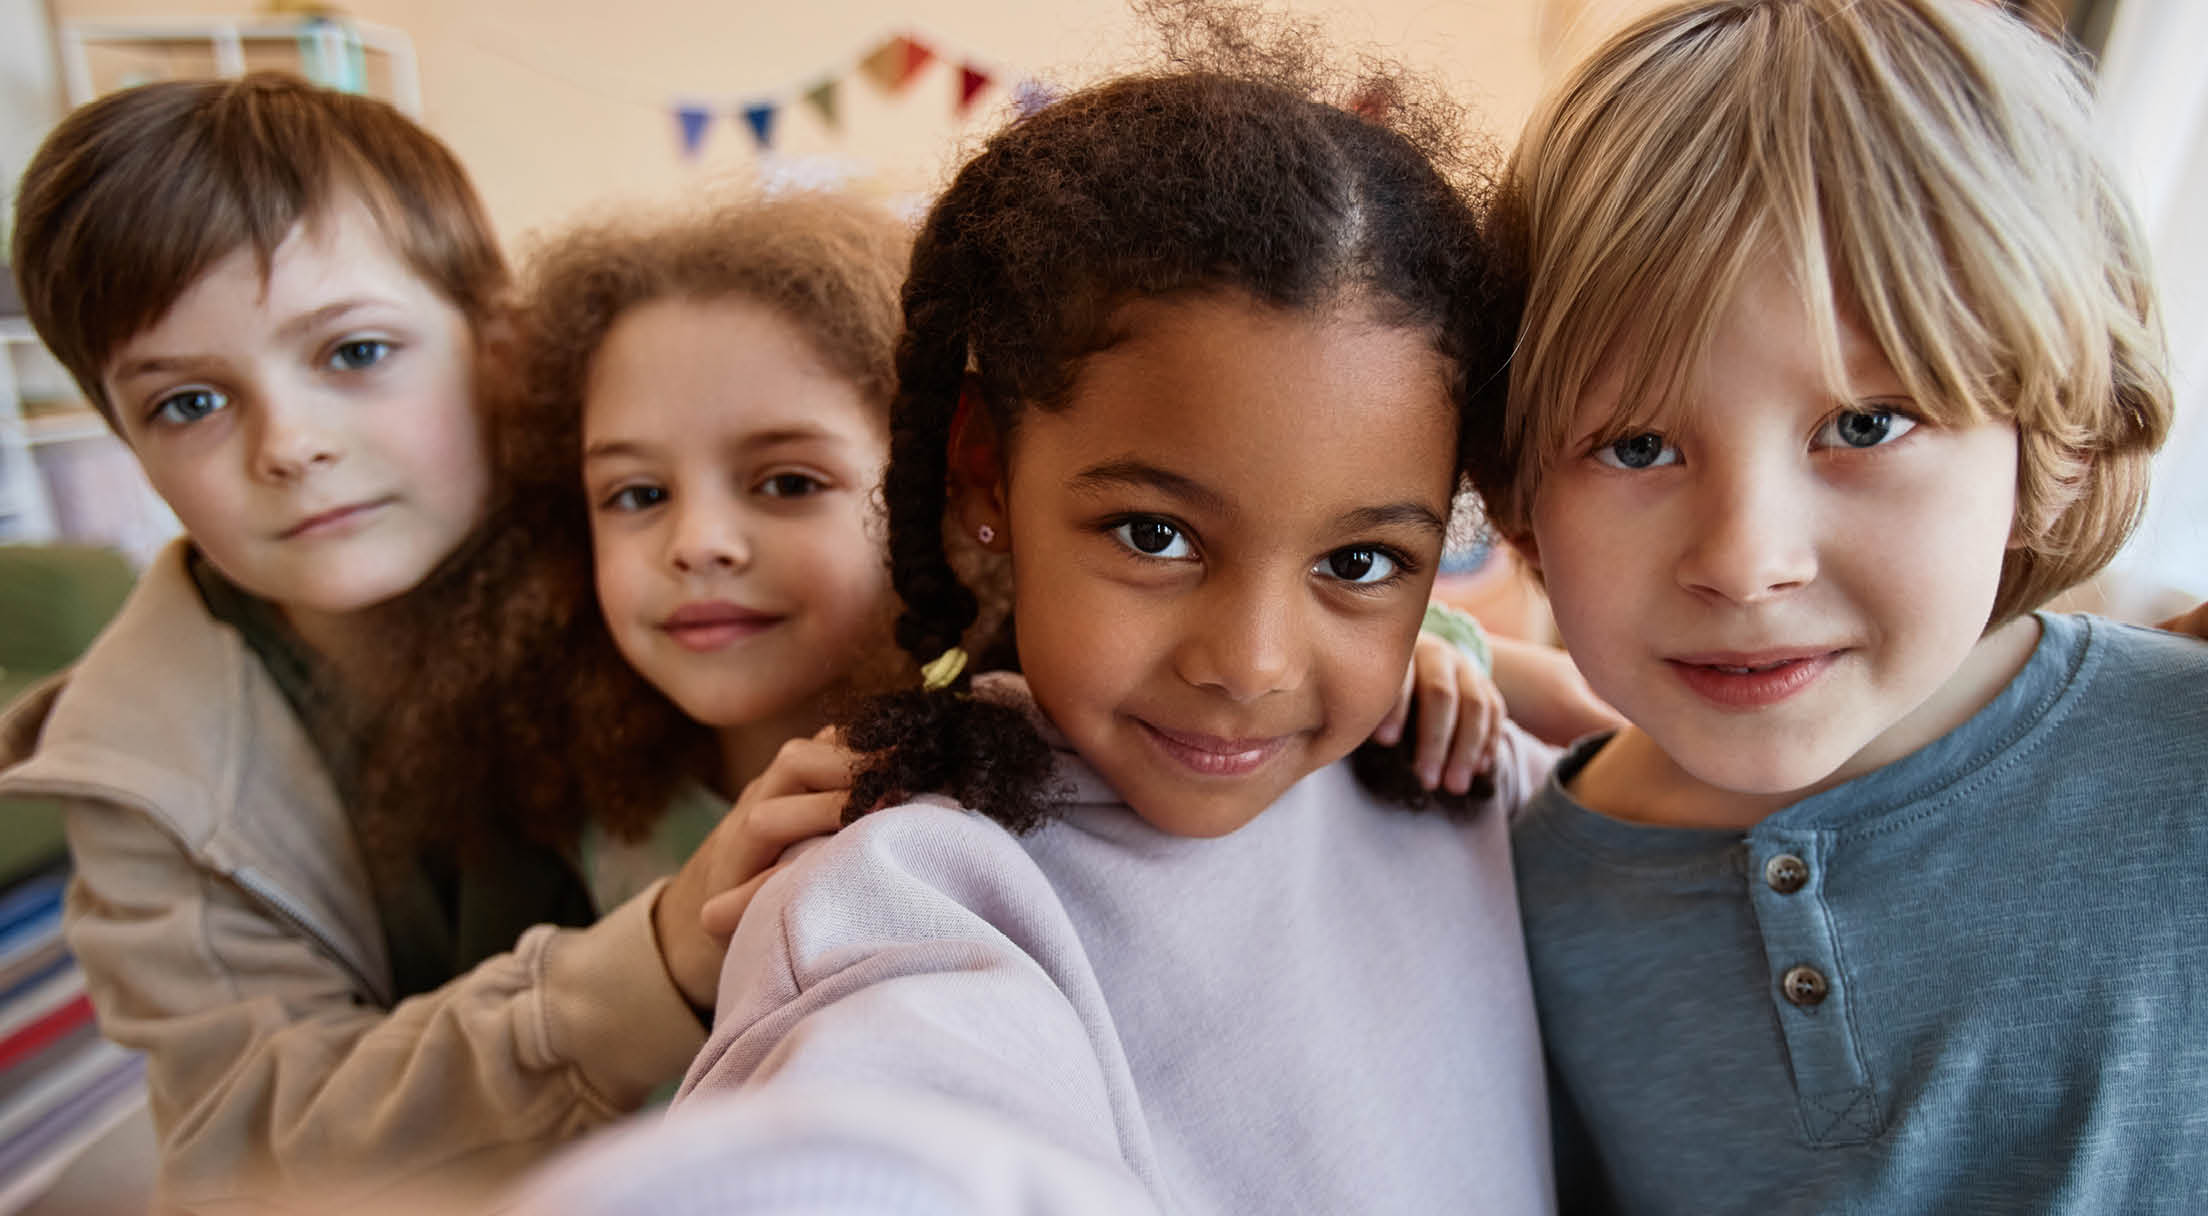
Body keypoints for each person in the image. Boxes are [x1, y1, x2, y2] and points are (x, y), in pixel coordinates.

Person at [674, 61, 1559, 1214]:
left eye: (1359, 563)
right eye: (1155, 534)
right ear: (986, 472)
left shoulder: (1473, 792)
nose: (1250, 664)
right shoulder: (908, 895)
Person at [0, 76, 835, 1209]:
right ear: (128, 448)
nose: (288, 444)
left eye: (353, 354)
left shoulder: (664, 554)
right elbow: (254, 1148)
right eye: (188, 403)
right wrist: (656, 964)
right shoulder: (135, 775)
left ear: (501, 344)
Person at [1460, 0, 2208, 1209]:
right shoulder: (1516, 896)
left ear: (2043, 447)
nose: (1746, 563)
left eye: (1865, 424)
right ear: (1521, 493)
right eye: (1639, 446)